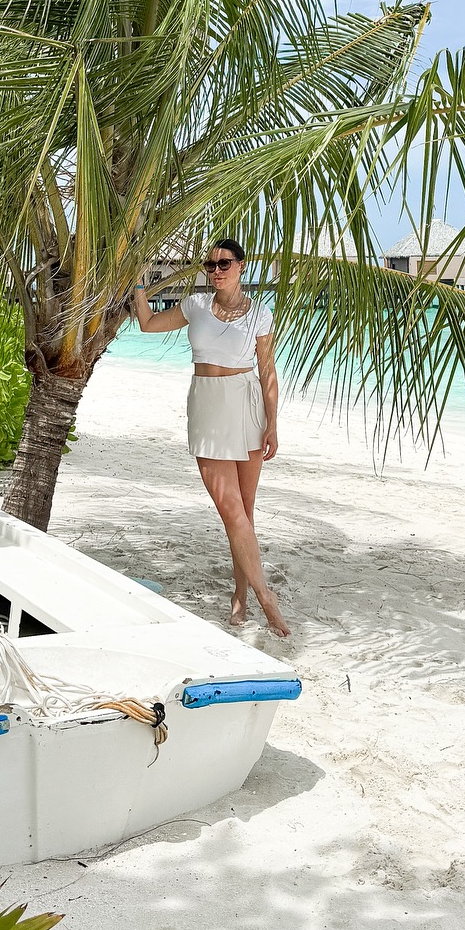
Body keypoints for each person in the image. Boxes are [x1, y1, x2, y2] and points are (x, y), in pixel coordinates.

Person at [132, 239, 291, 637]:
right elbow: (148, 324)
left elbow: (268, 373)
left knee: (245, 513)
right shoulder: (195, 306)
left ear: (241, 265)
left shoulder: (260, 314)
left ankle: (241, 594)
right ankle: (266, 597)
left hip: (247, 406)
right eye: (211, 264)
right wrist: (137, 283)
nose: (216, 270)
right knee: (231, 511)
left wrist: (272, 423)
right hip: (208, 408)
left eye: (224, 263)